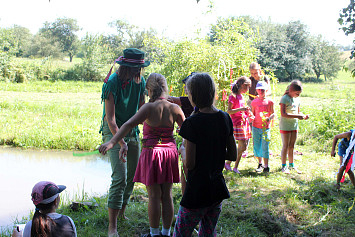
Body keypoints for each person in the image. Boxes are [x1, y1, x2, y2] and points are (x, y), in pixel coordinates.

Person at [99, 73, 185, 237]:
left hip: (152, 153)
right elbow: (188, 129)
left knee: (153, 195)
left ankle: (154, 234)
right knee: (167, 194)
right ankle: (166, 233)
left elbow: (128, 124)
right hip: (169, 153)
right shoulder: (174, 108)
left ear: (149, 89)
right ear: (165, 88)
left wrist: (111, 142)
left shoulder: (148, 108)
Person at [173, 73, 237, 237]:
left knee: (180, 233)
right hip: (216, 189)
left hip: (197, 192)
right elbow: (232, 154)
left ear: (194, 95)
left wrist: (183, 150)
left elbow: (190, 164)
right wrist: (212, 151)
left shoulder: (192, 123)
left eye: (188, 93)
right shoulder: (224, 117)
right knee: (208, 232)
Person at [99, 48, 150, 237]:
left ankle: (121, 214)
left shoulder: (140, 81)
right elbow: (110, 119)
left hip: (132, 131)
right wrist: (120, 143)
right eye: (136, 68)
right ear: (126, 67)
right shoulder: (112, 83)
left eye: (140, 69)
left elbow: (142, 109)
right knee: (119, 177)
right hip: (112, 132)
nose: (139, 72)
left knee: (132, 176)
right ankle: (112, 227)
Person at [224, 76, 254, 174]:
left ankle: (229, 163)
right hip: (237, 123)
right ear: (241, 85)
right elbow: (229, 111)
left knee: (243, 147)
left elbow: (243, 109)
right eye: (246, 87)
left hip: (243, 122)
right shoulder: (233, 96)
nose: (247, 89)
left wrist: (249, 113)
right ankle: (234, 166)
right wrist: (241, 109)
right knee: (243, 146)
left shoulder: (241, 96)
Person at [279, 80, 309, 174]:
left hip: (294, 125)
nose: (298, 95)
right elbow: (283, 114)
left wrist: (303, 116)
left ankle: (291, 165)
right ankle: (284, 166)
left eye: (299, 93)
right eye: (297, 93)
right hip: (285, 126)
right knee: (286, 146)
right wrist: (297, 116)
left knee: (292, 146)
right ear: (291, 90)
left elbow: (298, 112)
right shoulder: (284, 98)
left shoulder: (297, 100)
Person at [251, 81, 275, 173]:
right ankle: (260, 164)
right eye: (259, 90)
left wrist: (269, 118)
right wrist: (250, 118)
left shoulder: (270, 102)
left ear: (266, 90)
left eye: (263, 90)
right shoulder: (254, 102)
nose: (261, 92)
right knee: (257, 146)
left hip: (266, 128)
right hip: (256, 127)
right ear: (256, 90)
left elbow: (273, 113)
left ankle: (266, 165)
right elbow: (252, 114)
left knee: (265, 146)